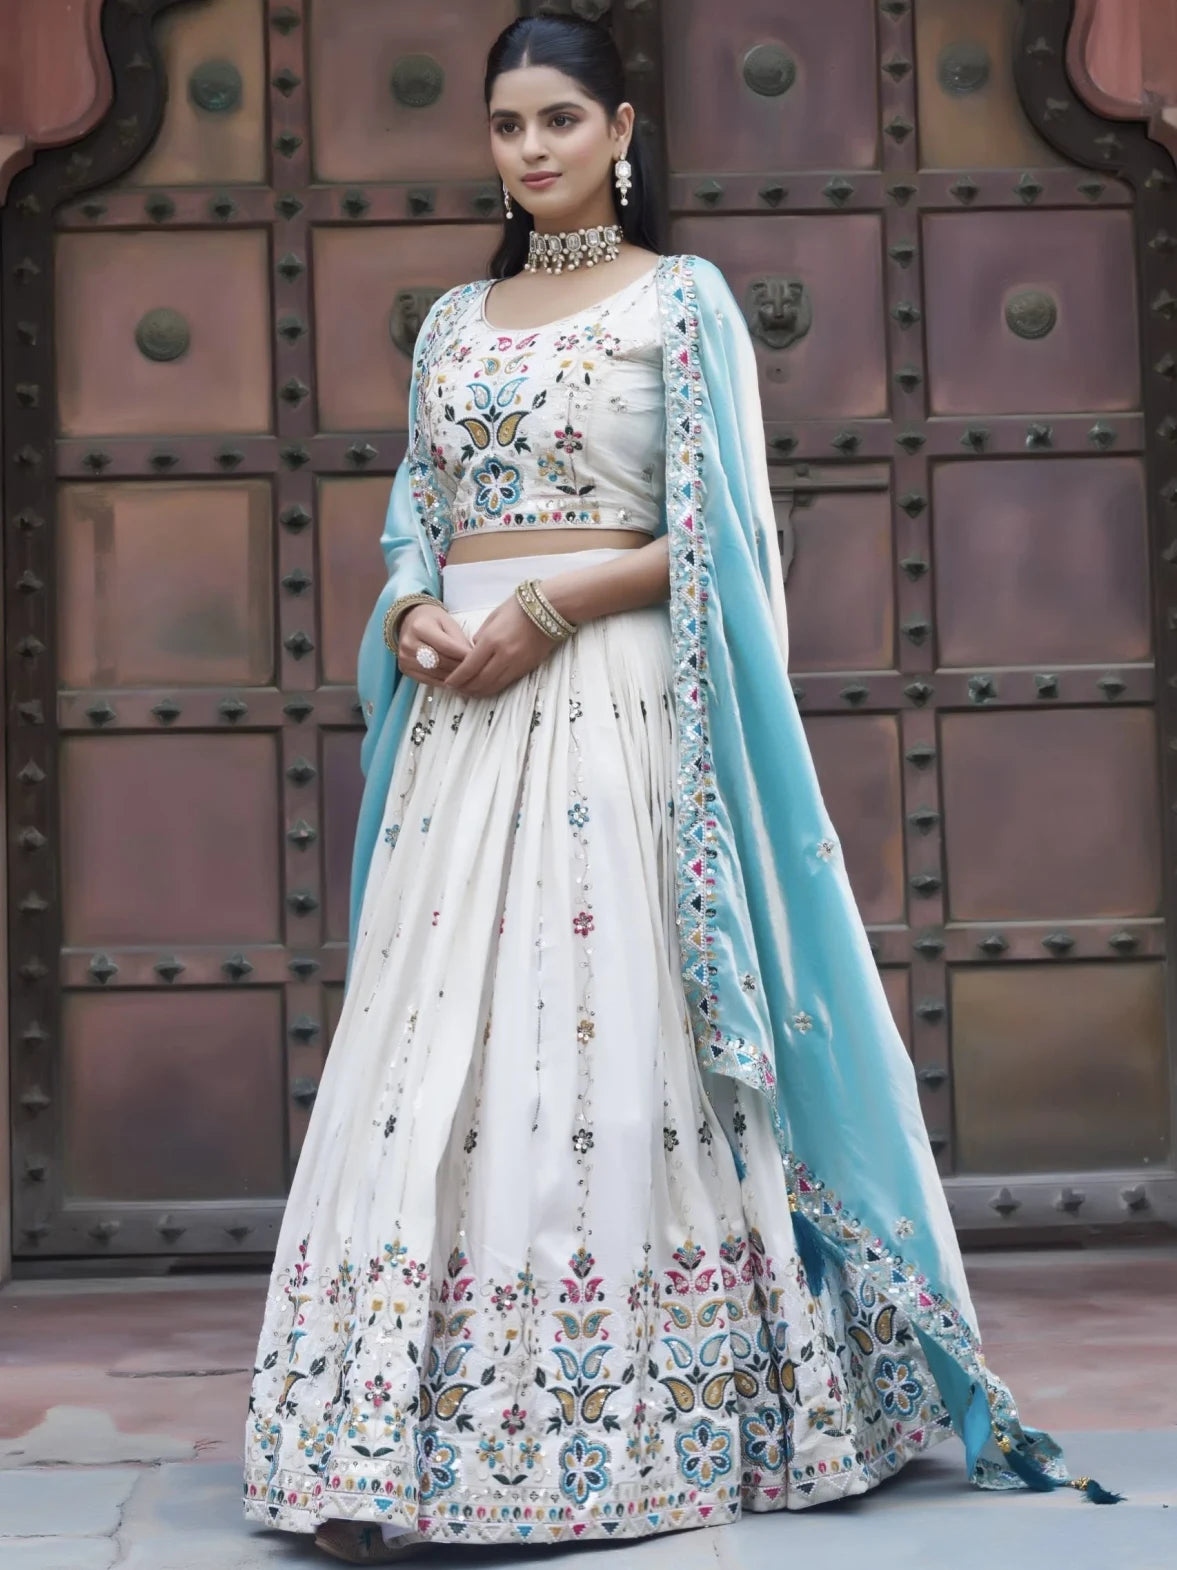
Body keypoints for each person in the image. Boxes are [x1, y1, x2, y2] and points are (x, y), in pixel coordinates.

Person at [243, 14, 1120, 1564]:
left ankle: (645, 1416)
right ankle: (379, 1435)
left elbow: (723, 531)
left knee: (604, 1037)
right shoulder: (454, 321)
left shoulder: (681, 300)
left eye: (559, 120)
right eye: (507, 124)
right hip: (468, 730)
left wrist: (553, 609)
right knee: (433, 1049)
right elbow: (410, 521)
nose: (530, 150)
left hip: (608, 713)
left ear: (621, 128)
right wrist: (416, 612)